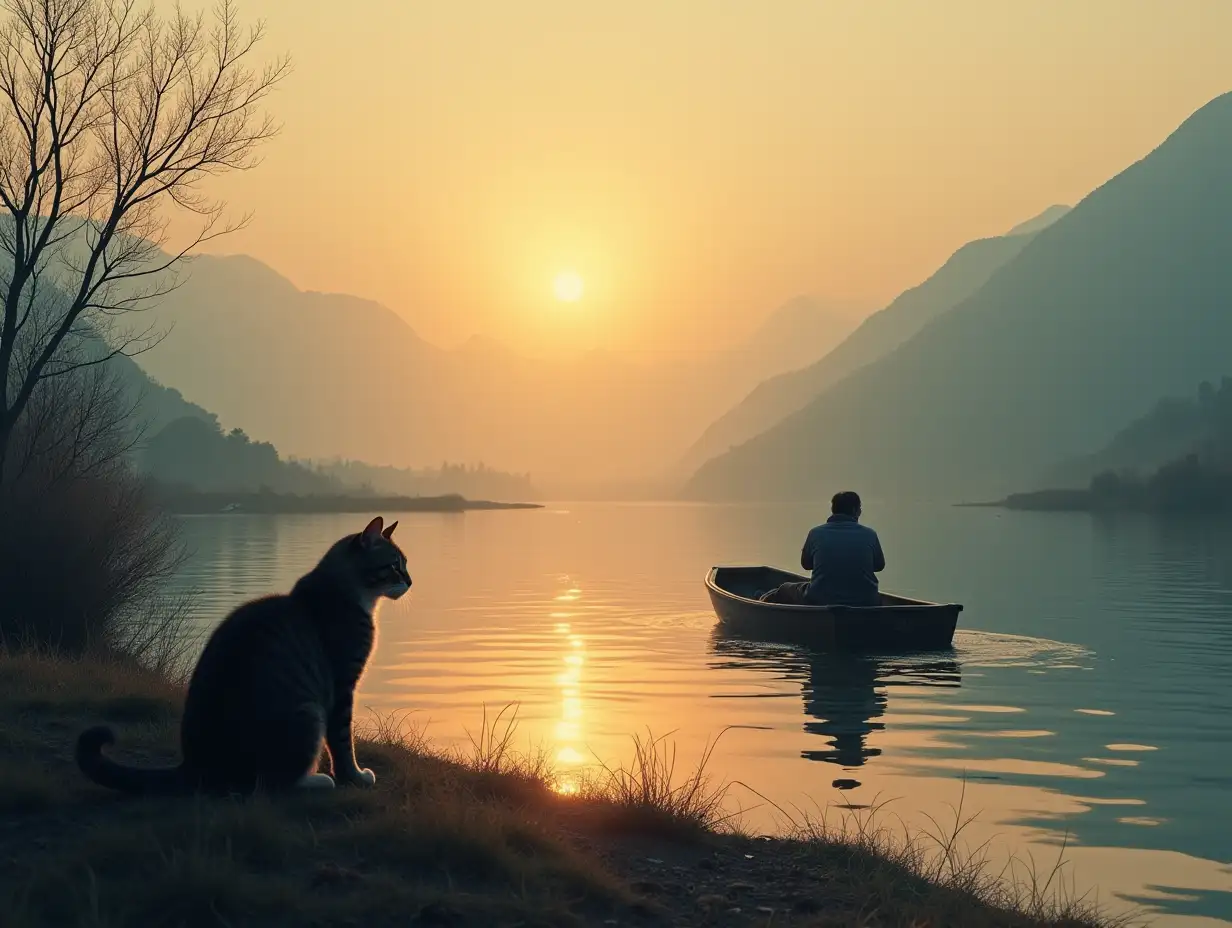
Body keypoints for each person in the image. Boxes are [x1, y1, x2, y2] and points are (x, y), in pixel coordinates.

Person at [759, 491, 885, 607]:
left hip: (820, 599)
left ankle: (760, 602)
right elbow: (879, 566)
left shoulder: (816, 533)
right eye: (860, 508)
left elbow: (806, 564)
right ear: (854, 510)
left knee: (785, 588)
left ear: (833, 510)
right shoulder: (870, 534)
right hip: (866, 601)